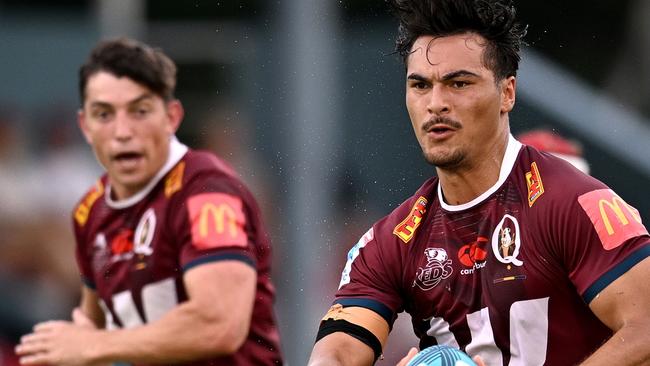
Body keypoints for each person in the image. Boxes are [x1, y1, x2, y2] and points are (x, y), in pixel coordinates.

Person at [307, 1, 650, 365]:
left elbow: (645, 330)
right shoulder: (389, 244)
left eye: (458, 83)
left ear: (507, 93)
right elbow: (334, 356)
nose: (436, 103)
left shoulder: (573, 203)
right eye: (421, 85)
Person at [15, 37, 283, 365]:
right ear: (85, 126)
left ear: (171, 117)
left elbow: (220, 325)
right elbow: (92, 323)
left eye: (139, 111)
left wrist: (94, 345)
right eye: (104, 114)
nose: (122, 131)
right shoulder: (91, 211)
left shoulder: (206, 192)